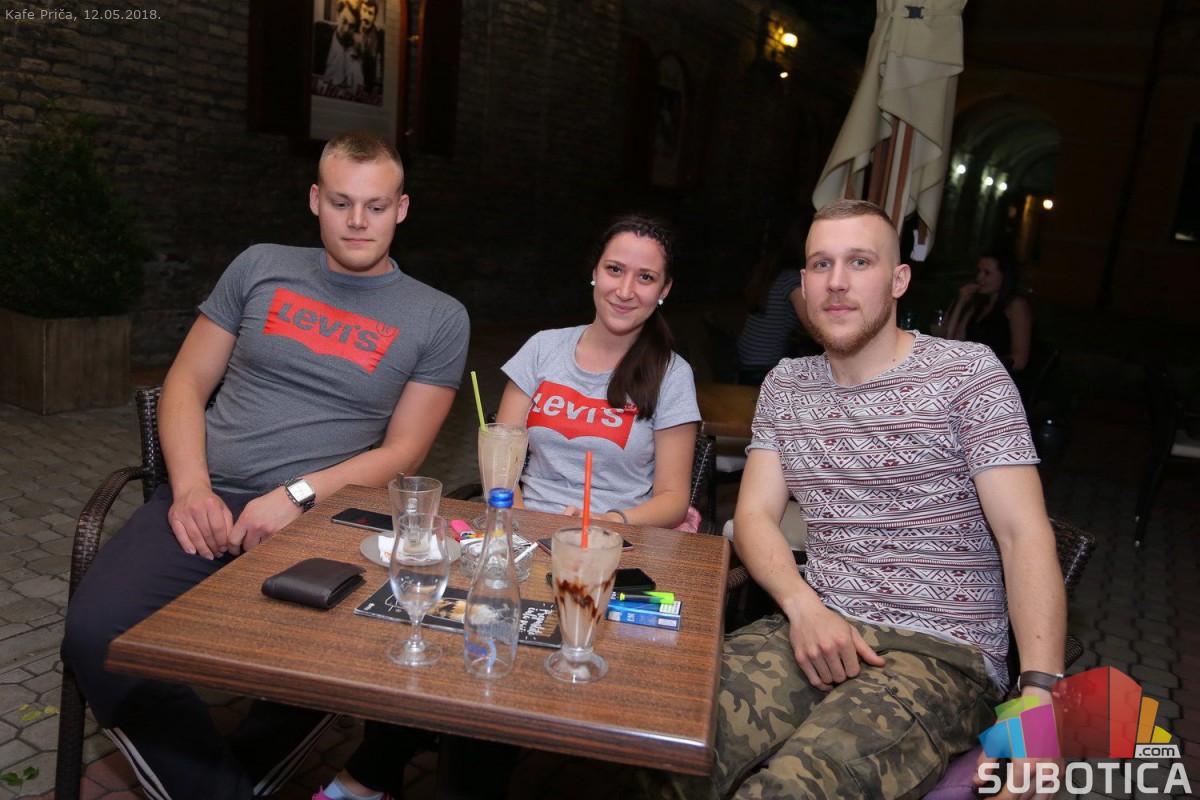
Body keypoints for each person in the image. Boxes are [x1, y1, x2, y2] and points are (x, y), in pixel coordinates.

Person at [60, 130, 470, 800]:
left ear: (401, 209)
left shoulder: (438, 317)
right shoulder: (259, 267)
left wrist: (298, 495)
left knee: (323, 655)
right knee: (94, 633)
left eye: (375, 205)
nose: (358, 220)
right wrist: (191, 487)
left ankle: (228, 775)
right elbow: (186, 382)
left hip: (324, 520)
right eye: (341, 202)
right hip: (207, 497)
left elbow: (404, 452)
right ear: (315, 199)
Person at [644, 200, 1066, 800]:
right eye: (822, 264)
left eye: (860, 262)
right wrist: (803, 606)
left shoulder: (967, 374)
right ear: (804, 281)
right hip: (816, 626)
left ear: (899, 279)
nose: (837, 282)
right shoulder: (787, 384)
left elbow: (1024, 534)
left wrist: (1040, 696)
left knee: (791, 790)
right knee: (657, 732)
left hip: (939, 653)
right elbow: (754, 515)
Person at [497, 214, 701, 529]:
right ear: (595, 272)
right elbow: (500, 462)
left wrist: (607, 521)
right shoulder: (541, 348)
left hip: (617, 536)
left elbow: (673, 500)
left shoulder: (672, 374)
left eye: (646, 277)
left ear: (664, 289)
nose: (625, 291)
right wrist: (522, 524)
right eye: (615, 269)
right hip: (527, 526)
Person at [734, 215, 814, 384]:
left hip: (745, 361)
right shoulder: (792, 280)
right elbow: (816, 330)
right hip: (761, 370)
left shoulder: (772, 272)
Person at [944, 253, 1033, 373]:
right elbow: (953, 341)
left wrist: (981, 363)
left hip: (997, 375)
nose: (979, 277)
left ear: (1004, 277)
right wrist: (961, 302)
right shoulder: (980, 304)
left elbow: (1020, 360)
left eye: (987, 273)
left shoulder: (1016, 305)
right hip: (971, 371)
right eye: (979, 272)